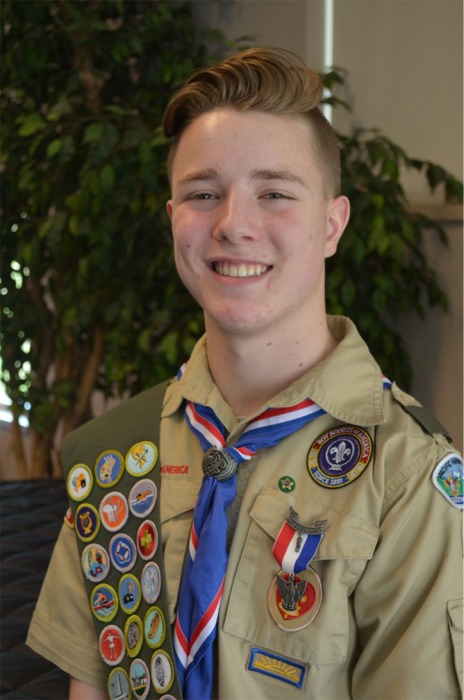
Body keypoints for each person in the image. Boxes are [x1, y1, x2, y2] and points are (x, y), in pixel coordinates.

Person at [27, 47, 463, 700]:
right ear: (175, 222)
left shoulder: (404, 478)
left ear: (331, 225)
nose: (233, 224)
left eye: (275, 193)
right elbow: (94, 682)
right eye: (203, 194)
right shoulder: (118, 451)